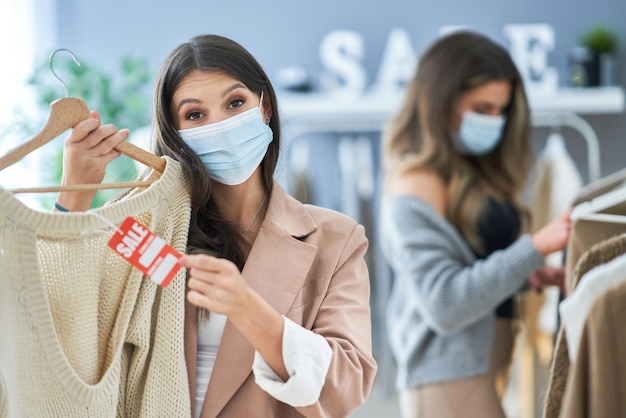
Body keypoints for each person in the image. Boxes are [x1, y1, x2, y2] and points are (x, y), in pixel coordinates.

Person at [56, 34, 376, 417]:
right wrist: (74, 192)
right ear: (175, 133)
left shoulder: (335, 240)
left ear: (265, 107)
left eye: (235, 103)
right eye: (195, 115)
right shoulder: (153, 236)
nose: (221, 125)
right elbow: (65, 320)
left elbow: (346, 387)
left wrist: (249, 310)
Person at [379, 31, 571, 418]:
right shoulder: (416, 183)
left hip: (477, 372)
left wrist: (528, 275)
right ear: (440, 103)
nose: (495, 121)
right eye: (482, 108)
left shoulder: (462, 173)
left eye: (501, 110)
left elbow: (467, 269)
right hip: (446, 382)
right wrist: (535, 246)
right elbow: (445, 303)